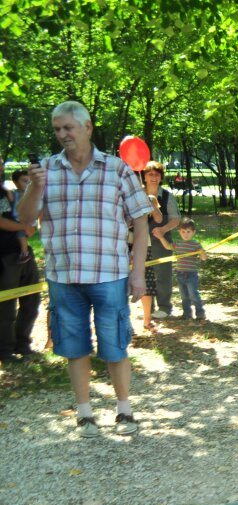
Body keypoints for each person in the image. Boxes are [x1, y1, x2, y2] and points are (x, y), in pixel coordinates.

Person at [17, 100, 153, 437]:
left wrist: (137, 273)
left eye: (68, 128)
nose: (62, 134)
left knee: (115, 346)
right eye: (57, 129)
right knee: (74, 346)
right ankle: (84, 414)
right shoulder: (46, 171)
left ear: (87, 128)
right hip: (64, 276)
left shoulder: (116, 169)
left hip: (109, 274)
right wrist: (35, 186)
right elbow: (24, 219)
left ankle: (124, 412)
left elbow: (140, 221)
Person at [0, 170, 39, 363]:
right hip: (4, 256)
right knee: (6, 306)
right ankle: (5, 350)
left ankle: (22, 343)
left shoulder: (7, 192)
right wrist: (23, 228)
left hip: (23, 252)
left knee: (31, 300)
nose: (0, 167)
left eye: (0, 164)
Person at [142, 161, 180, 320]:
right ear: (144, 176)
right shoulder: (137, 194)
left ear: (161, 177)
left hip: (161, 240)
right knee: (144, 275)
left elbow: (176, 219)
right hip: (140, 241)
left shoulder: (166, 196)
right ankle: (147, 309)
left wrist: (163, 230)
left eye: (157, 174)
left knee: (162, 274)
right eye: (150, 174)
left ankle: (164, 307)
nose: (153, 177)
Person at [171, 219, 207, 321]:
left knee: (193, 294)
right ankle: (187, 314)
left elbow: (204, 258)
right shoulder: (178, 243)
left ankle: (200, 313)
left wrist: (201, 252)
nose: (185, 234)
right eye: (183, 231)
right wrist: (160, 237)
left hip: (191, 274)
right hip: (179, 273)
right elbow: (167, 246)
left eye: (188, 232)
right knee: (184, 296)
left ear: (193, 232)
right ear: (179, 232)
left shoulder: (195, 244)